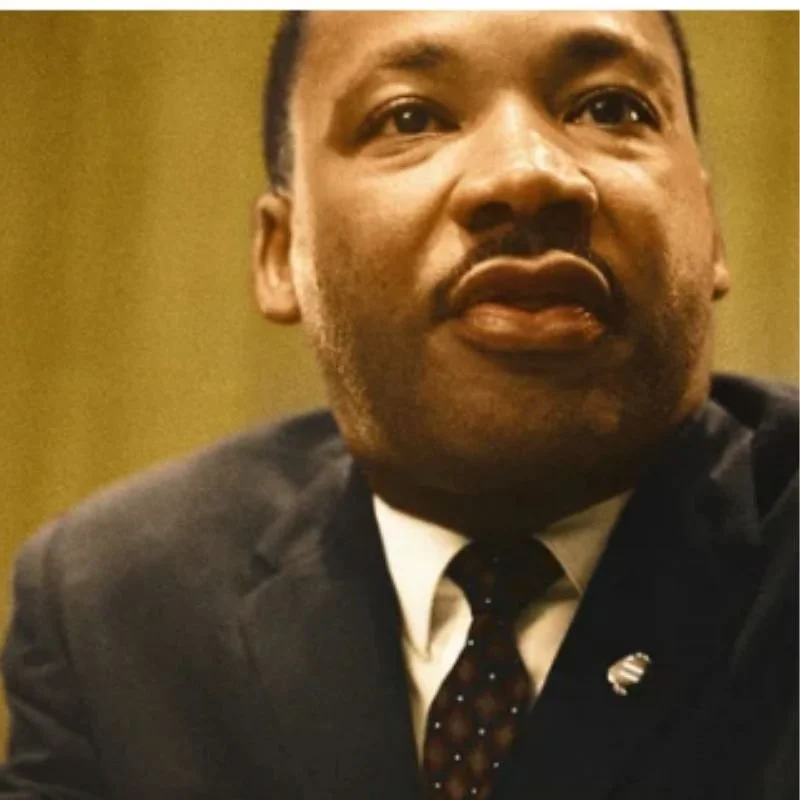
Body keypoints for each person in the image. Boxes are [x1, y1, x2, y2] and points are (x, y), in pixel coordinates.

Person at [1, 11, 796, 800]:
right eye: (409, 116)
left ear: (711, 228)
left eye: (609, 108)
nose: (526, 172)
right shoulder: (116, 610)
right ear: (283, 254)